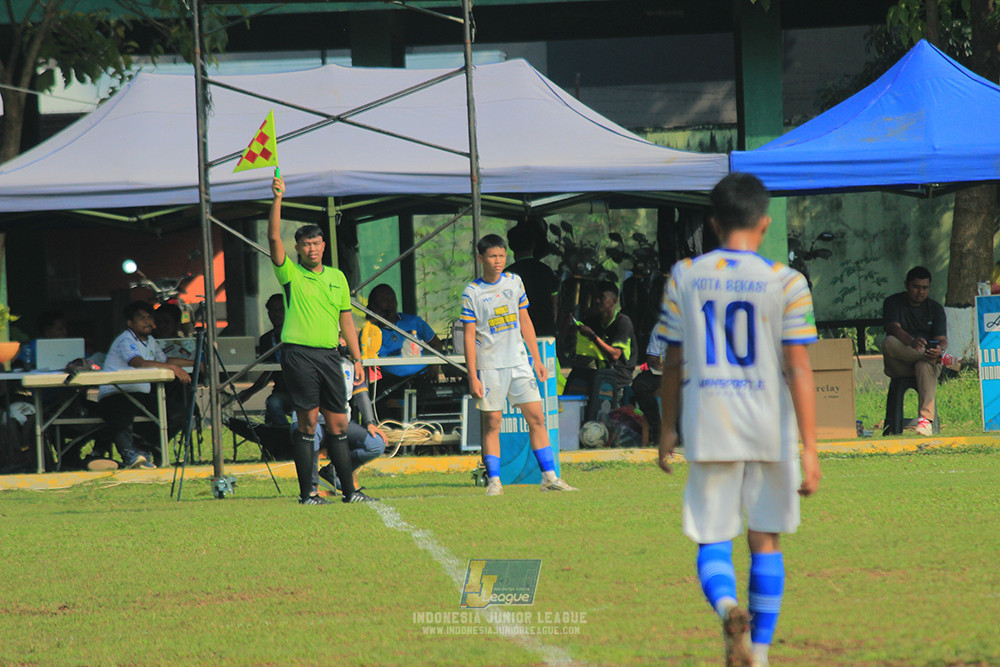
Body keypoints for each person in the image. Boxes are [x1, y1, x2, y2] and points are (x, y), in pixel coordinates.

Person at [656, 173, 822, 667]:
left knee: (713, 536)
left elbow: (672, 361)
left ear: (712, 222)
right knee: (765, 538)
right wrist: (811, 448)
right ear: (765, 223)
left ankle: (730, 608)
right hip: (771, 425)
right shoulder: (787, 281)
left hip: (711, 422)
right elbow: (798, 367)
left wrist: (667, 428)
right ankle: (762, 653)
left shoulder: (684, 275)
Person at [267, 175, 374, 505]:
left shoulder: (337, 277)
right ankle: (308, 493)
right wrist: (277, 199)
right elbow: (273, 239)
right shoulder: (291, 274)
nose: (311, 249)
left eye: (316, 243)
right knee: (309, 421)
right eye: (305, 245)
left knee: (339, 423)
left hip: (331, 355)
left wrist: (357, 359)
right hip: (299, 354)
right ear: (298, 249)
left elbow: (347, 320)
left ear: (323, 246)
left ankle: (350, 491)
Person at [461, 233, 577, 496]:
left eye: (502, 255)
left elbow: (525, 321)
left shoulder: (515, 282)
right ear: (481, 258)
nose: (498, 261)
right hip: (490, 368)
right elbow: (469, 336)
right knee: (492, 423)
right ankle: (495, 482)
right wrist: (473, 376)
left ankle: (549, 477)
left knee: (536, 418)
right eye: (492, 256)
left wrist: (536, 359)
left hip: (519, 364)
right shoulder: (473, 292)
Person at [97, 300, 192, 469]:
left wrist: (194, 363)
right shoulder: (125, 340)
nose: (148, 321)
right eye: (142, 318)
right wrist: (173, 368)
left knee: (179, 413)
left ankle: (146, 447)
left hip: (138, 395)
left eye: (149, 317)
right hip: (116, 393)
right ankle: (130, 454)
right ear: (130, 323)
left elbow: (163, 360)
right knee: (124, 412)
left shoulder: (150, 341)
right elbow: (138, 362)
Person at [294, 351, 387, 496]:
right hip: (314, 423)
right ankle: (312, 488)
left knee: (376, 444)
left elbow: (361, 394)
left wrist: (370, 422)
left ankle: (335, 470)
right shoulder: (311, 363)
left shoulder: (350, 366)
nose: (342, 342)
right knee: (312, 437)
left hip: (341, 424)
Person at [881, 266, 950, 436]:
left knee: (923, 366)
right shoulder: (893, 302)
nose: (920, 292)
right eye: (916, 287)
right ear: (906, 285)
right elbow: (893, 328)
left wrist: (939, 349)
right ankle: (938, 359)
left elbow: (942, 339)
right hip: (900, 363)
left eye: (925, 288)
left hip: (926, 363)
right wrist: (911, 342)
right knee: (889, 341)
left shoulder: (934, 308)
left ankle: (925, 421)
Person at [233, 293, 293, 425]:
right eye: (271, 310)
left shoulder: (298, 336)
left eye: (280, 310)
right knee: (273, 403)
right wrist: (249, 392)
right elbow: (268, 372)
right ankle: (283, 436)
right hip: (281, 393)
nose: (275, 314)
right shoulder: (266, 339)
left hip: (303, 391)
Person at [366, 283, 444, 378]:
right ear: (375, 305)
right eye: (385, 300)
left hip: (421, 376)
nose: (391, 303)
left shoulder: (414, 321)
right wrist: (374, 317)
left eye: (393, 299)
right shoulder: (372, 330)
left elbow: (436, 344)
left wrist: (435, 366)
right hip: (391, 382)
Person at [572, 281, 637, 391]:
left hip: (618, 376)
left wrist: (592, 336)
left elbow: (615, 355)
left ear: (614, 301)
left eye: (602, 298)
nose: (597, 301)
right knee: (576, 378)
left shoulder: (623, 322)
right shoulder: (595, 320)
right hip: (601, 371)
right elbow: (570, 331)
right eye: (596, 297)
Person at [506, 220, 559, 336]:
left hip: (518, 337)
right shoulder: (547, 271)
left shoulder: (507, 275)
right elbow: (554, 306)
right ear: (534, 245)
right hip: (546, 335)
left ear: (511, 246)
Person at [629, 333, 665, 446]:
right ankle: (657, 426)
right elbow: (651, 357)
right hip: (662, 373)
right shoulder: (661, 328)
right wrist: (657, 363)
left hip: (687, 373)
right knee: (640, 384)